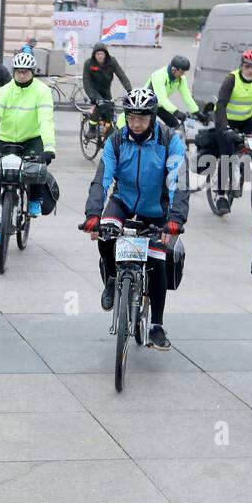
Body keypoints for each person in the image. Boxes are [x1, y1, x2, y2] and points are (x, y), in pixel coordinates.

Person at [80, 87, 189, 350]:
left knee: (157, 261)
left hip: (156, 208)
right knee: (106, 232)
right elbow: (102, 179)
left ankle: (157, 327)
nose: (136, 123)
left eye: (141, 118)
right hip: (124, 201)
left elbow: (179, 181)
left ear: (152, 117)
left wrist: (175, 218)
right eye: (131, 117)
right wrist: (93, 214)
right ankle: (110, 279)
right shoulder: (116, 141)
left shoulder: (169, 140)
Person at [0, 51, 57, 233]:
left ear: (32, 72)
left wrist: (49, 147)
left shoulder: (42, 91)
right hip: (5, 140)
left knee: (35, 167)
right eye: (18, 71)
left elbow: (46, 120)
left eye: (25, 71)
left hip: (31, 139)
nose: (21, 75)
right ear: (13, 72)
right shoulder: (5, 91)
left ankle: (34, 199)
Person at [145, 55, 201, 131]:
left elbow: (186, 95)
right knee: (149, 129)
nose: (182, 74)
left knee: (174, 125)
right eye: (181, 71)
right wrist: (176, 112)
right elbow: (161, 98)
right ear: (174, 69)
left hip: (160, 105)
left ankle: (170, 141)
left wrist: (196, 112)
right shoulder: (159, 75)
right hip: (147, 104)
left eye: (184, 72)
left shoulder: (181, 79)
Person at [81, 45, 132, 125]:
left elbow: (121, 75)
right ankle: (92, 127)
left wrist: (130, 90)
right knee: (100, 104)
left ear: (105, 54)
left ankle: (107, 131)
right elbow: (86, 82)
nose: (100, 56)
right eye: (97, 54)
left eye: (102, 54)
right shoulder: (88, 63)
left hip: (106, 89)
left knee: (109, 111)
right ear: (94, 55)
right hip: (93, 89)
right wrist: (92, 96)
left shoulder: (112, 61)